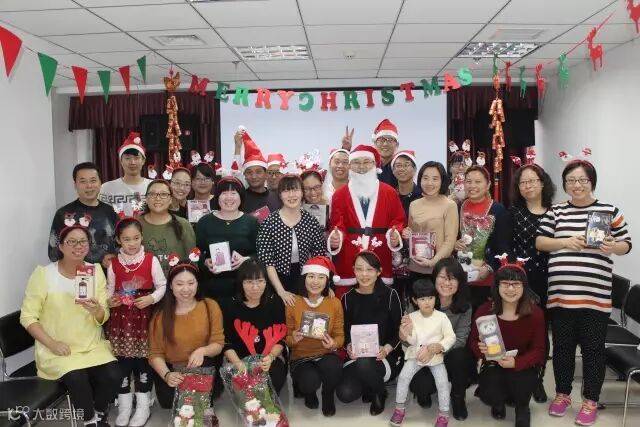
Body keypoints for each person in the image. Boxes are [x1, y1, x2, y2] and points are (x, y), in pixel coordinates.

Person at [536, 160, 631, 426]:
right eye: (571, 181)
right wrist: (565, 242)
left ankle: (591, 400)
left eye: (582, 180)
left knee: (593, 351)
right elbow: (540, 242)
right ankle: (562, 394)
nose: (576, 185)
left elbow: (626, 244)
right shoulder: (556, 212)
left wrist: (613, 246)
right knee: (563, 349)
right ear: (564, 184)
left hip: (595, 298)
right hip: (561, 296)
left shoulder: (609, 211)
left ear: (592, 182)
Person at [21, 225, 120, 427]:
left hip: (91, 345)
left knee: (114, 375)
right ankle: (89, 420)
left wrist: (96, 310)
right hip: (58, 350)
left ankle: (99, 411)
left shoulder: (94, 272)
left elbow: (103, 316)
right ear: (61, 246)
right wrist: (52, 344)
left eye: (83, 241)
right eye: (72, 242)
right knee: (77, 378)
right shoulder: (44, 275)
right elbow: (28, 317)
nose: (78, 246)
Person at [469, 261, 546, 427]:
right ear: (496, 286)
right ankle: (498, 402)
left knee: (523, 381)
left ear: (524, 287)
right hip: (494, 363)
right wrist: (482, 350)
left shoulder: (535, 314)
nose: (510, 289)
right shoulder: (484, 310)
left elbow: (539, 350)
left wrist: (517, 362)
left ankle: (522, 408)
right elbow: (473, 341)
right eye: (505, 283)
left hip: (523, 364)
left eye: (516, 284)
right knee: (489, 389)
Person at [106, 218, 166, 427]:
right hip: (121, 321)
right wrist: (110, 300)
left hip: (144, 319)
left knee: (143, 362)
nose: (132, 243)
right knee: (122, 362)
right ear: (118, 240)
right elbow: (109, 290)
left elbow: (162, 285)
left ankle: (143, 406)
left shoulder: (150, 259)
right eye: (126, 239)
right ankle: (124, 406)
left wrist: (151, 298)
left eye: (136, 238)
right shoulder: (114, 264)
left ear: (142, 237)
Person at [328, 145, 405, 298]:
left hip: (380, 252)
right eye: (356, 162)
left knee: (380, 301)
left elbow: (398, 219)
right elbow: (337, 225)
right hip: (349, 254)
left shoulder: (389, 192)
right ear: (350, 165)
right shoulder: (339, 195)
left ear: (374, 165)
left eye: (366, 162)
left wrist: (394, 234)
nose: (361, 167)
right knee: (347, 302)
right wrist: (336, 238)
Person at [404, 257, 475, 421]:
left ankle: (457, 397)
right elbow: (407, 340)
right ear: (434, 278)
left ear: (459, 282)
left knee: (461, 355)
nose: (447, 283)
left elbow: (461, 339)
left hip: (449, 354)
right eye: (443, 277)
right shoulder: (419, 300)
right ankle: (424, 393)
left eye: (452, 278)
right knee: (421, 386)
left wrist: (438, 349)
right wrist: (409, 337)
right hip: (422, 354)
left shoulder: (464, 306)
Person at [148, 260, 225, 409]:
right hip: (173, 369)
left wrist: (202, 351)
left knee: (200, 398)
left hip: (202, 366)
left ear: (197, 284)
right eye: (179, 284)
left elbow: (218, 343)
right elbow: (155, 354)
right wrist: (167, 375)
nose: (186, 289)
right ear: (171, 286)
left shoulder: (210, 306)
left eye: (191, 283)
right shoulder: (160, 316)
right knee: (168, 401)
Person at [509, 163, 556, 403]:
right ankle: (517, 377)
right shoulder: (513, 213)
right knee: (518, 330)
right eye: (522, 182)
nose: (527, 186)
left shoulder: (556, 213)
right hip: (518, 280)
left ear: (542, 183)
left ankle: (537, 379)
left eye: (532, 181)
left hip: (548, 280)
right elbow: (507, 247)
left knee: (541, 331)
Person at [336, 252, 403, 416]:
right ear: (353, 270)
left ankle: (379, 392)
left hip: (385, 355)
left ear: (379, 272)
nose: (364, 274)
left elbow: (399, 331)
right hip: (357, 357)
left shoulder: (390, 295)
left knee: (365, 364)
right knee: (345, 394)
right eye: (359, 269)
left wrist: (386, 349)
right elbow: (344, 331)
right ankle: (369, 383)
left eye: (370, 269)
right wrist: (349, 346)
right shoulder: (347, 298)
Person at [390, 278, 456, 427]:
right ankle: (399, 409)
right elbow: (412, 340)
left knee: (442, 383)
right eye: (422, 299)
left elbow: (450, 337)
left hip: (436, 358)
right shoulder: (412, 317)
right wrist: (406, 332)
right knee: (403, 377)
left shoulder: (442, 317)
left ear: (435, 298)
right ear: (415, 300)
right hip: (416, 356)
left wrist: (439, 346)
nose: (427, 302)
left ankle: (443, 415)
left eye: (431, 298)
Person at [286, 256, 344, 416]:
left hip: (326, 353)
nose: (315, 282)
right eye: (311, 276)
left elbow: (340, 336)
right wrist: (293, 339)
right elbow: (286, 338)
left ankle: (328, 395)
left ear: (327, 281)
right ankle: (309, 393)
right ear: (304, 278)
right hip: (301, 357)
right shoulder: (293, 303)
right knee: (309, 382)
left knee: (333, 367)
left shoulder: (334, 303)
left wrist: (333, 344)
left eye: (321, 277)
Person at [219, 258, 287, 393]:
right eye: (249, 282)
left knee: (271, 386)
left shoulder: (276, 303)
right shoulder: (230, 305)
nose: (255, 287)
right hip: (240, 360)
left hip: (269, 358)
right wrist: (238, 364)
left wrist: (270, 357)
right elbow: (226, 342)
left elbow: (281, 339)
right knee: (246, 391)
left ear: (266, 282)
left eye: (260, 281)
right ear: (241, 283)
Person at [257, 175, 326, 306]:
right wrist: (281, 291)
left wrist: (324, 285)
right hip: (276, 279)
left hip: (306, 278)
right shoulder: (269, 222)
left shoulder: (311, 221)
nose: (291, 195)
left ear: (302, 193)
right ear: (280, 195)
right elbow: (267, 261)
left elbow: (319, 255)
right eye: (286, 191)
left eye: (295, 190)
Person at [454, 166, 512, 309]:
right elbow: (453, 237)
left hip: (487, 278)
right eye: (468, 181)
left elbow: (503, 247)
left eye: (478, 182)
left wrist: (490, 267)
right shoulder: (459, 207)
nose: (472, 186)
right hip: (462, 277)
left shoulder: (498, 210)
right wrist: (455, 244)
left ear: (488, 184)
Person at [196, 177, 259, 299]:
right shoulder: (205, 221)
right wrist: (205, 261)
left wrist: (246, 259)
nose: (229, 197)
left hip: (245, 285)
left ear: (241, 197)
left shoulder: (251, 222)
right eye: (224, 193)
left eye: (233, 193)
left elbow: (261, 253)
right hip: (211, 285)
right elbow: (195, 251)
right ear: (217, 197)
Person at [48, 162, 119, 268]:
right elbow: (53, 252)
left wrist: (114, 257)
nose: (89, 186)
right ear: (75, 185)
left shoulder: (111, 211)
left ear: (100, 182)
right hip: (75, 274)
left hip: (108, 274)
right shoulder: (64, 214)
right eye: (83, 181)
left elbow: (122, 242)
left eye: (93, 180)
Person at [404, 162, 459, 276]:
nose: (429, 183)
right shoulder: (414, 205)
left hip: (439, 269)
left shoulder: (450, 205)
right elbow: (412, 236)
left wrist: (432, 262)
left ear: (442, 181)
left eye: (435, 179)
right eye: (425, 178)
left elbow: (450, 241)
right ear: (420, 180)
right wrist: (406, 236)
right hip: (415, 266)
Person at [139, 180, 196, 273]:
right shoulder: (136, 224)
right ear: (146, 198)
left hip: (176, 280)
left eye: (163, 194)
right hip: (144, 280)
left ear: (170, 199)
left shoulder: (183, 224)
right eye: (152, 194)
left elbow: (192, 260)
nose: (158, 198)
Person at [100, 132, 152, 216]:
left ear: (143, 160)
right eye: (127, 158)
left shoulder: (152, 186)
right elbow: (103, 216)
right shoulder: (107, 188)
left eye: (136, 158)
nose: (132, 162)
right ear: (121, 161)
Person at [233, 127, 281, 214]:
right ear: (245, 175)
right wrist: (237, 147)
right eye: (249, 172)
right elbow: (236, 174)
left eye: (258, 172)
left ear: (266, 174)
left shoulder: (277, 198)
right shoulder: (239, 199)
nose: (254, 176)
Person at [391, 150, 421, 219]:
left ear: (415, 170)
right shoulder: (389, 196)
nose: (402, 169)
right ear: (393, 171)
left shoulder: (422, 196)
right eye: (398, 165)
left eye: (407, 165)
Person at [372, 119, 400, 187]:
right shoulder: (367, 165)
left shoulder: (400, 168)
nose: (385, 144)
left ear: (397, 145)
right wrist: (347, 150)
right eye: (381, 140)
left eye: (390, 140)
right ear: (375, 143)